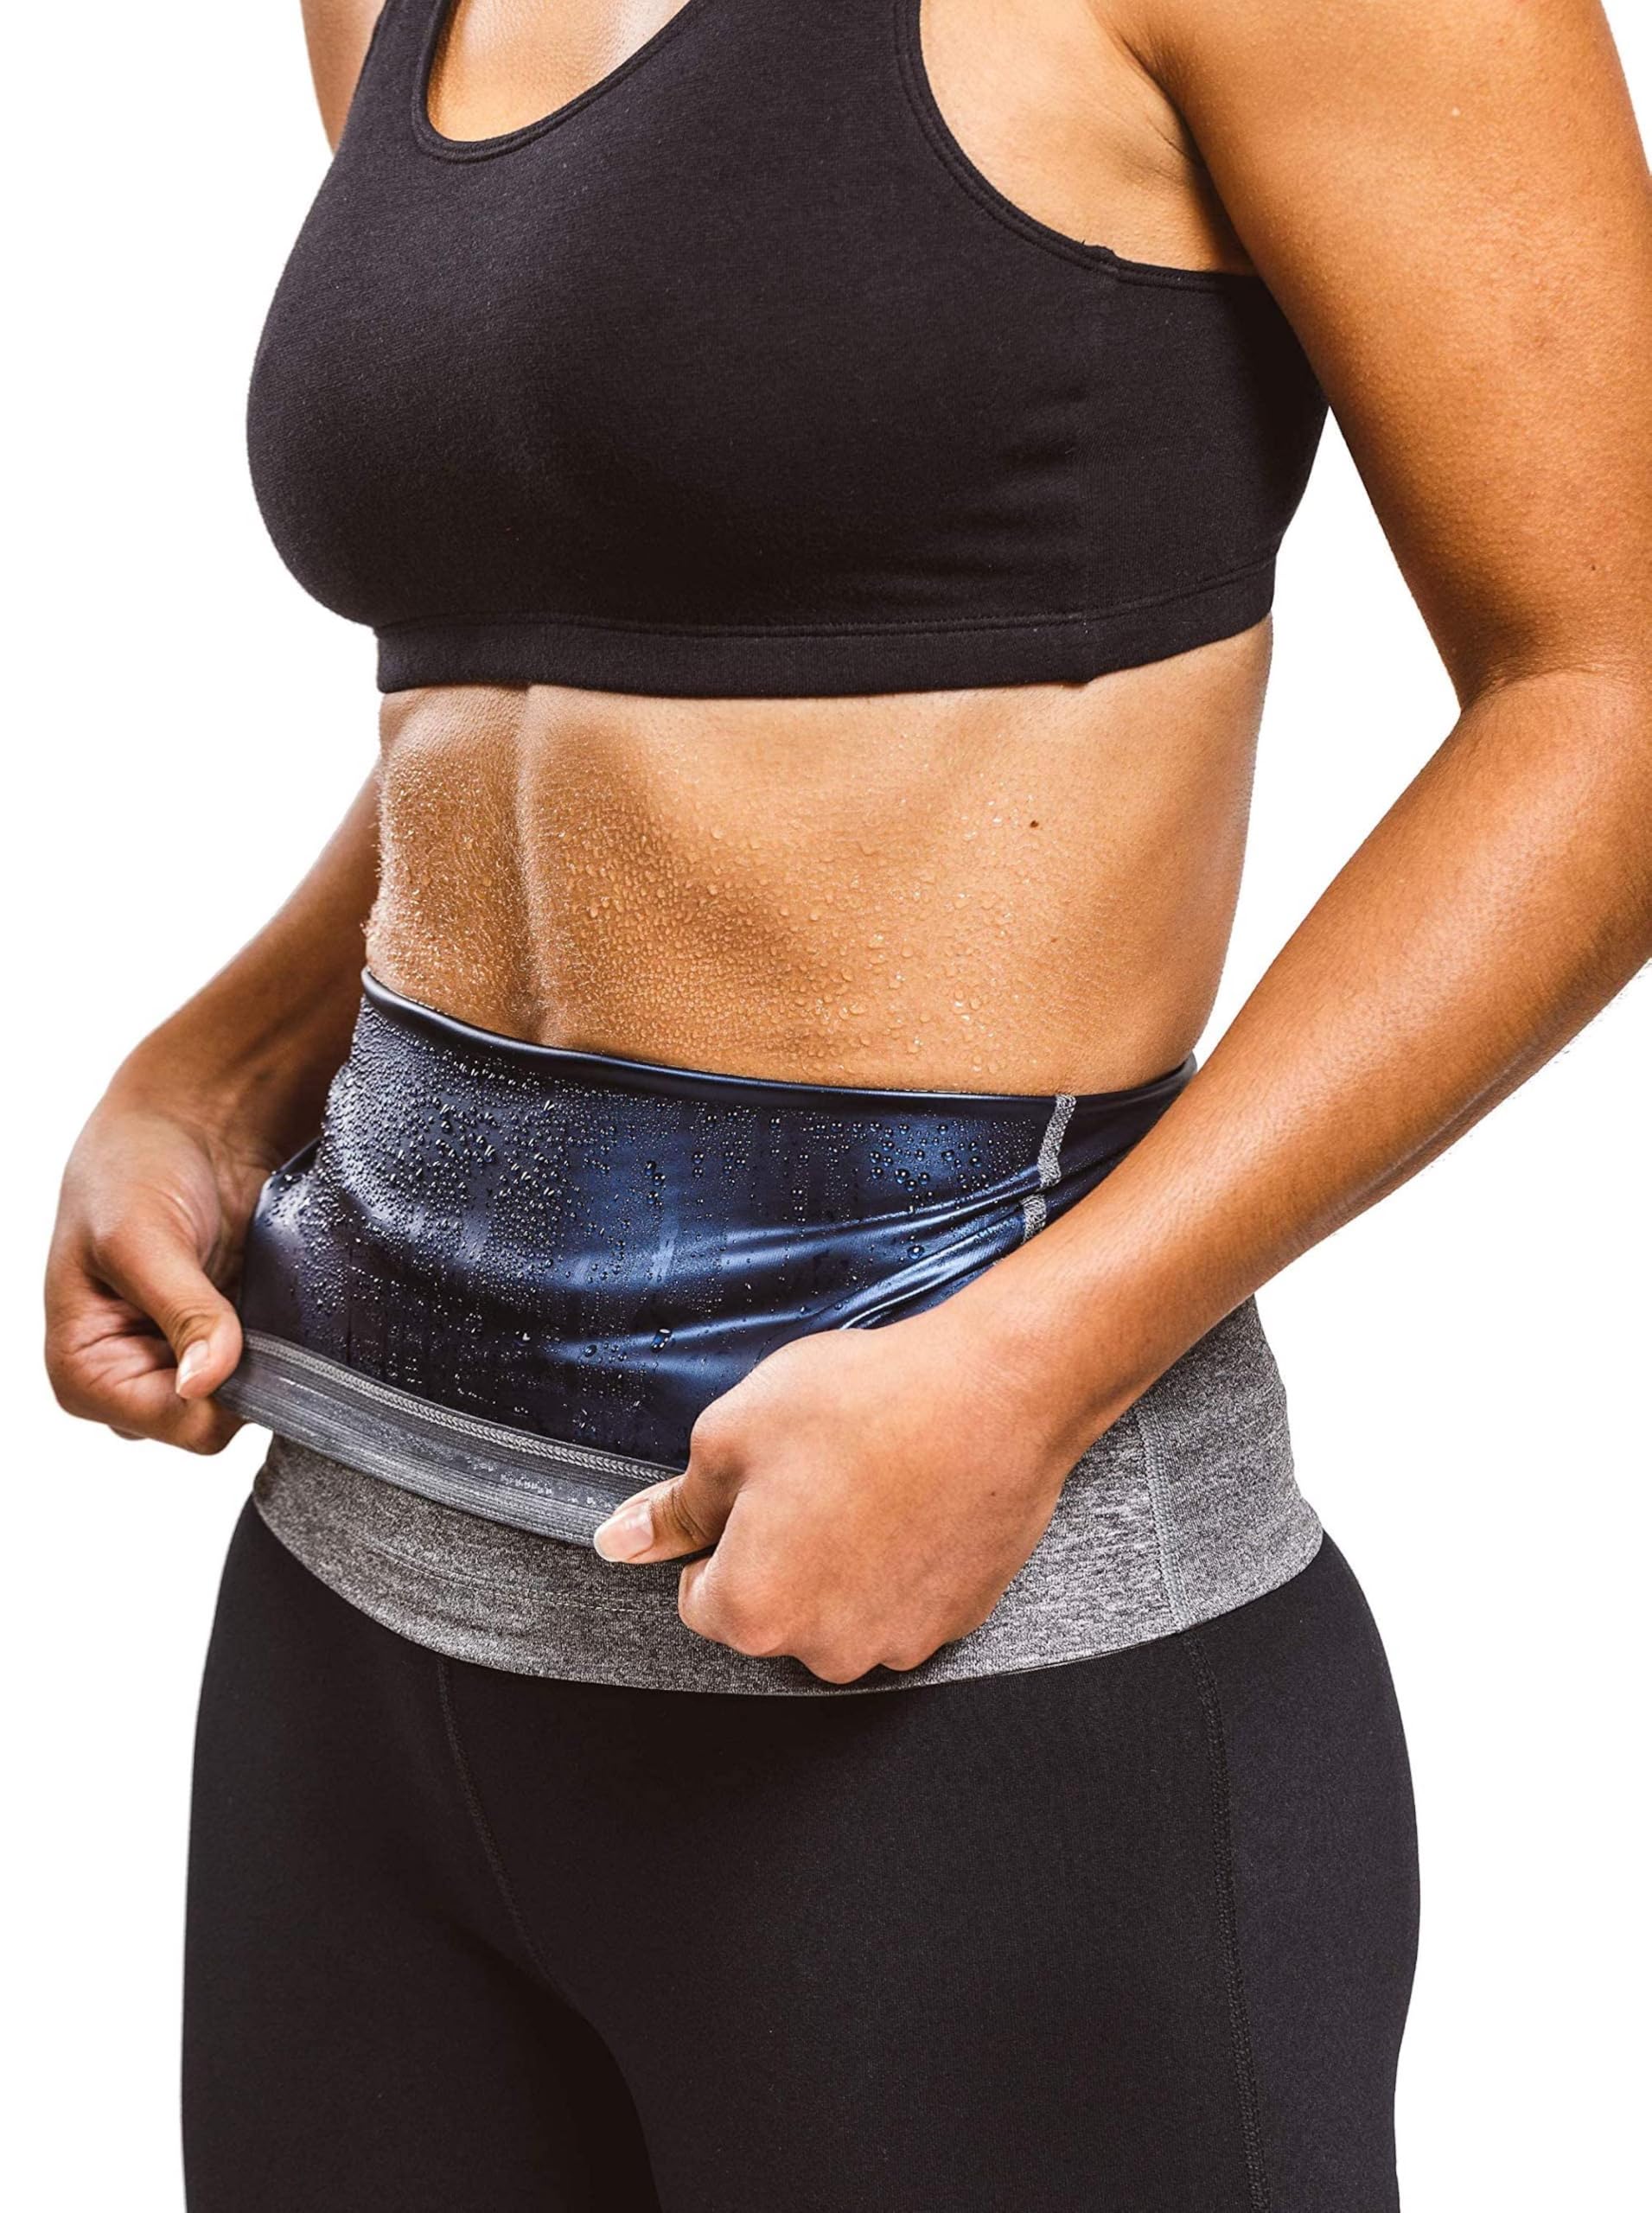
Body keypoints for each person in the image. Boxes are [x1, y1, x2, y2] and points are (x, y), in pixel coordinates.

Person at [44, 0, 1650, 2206]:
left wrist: (1032, 1362)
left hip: (968, 1687)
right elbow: (545, 658)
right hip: (356, 1626)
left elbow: (1607, 691)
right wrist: (218, 1071)